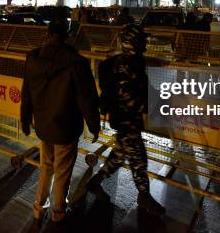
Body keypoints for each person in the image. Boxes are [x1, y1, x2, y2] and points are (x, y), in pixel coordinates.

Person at [20, 19, 100, 225]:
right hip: (65, 127)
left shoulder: (33, 57)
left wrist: (25, 119)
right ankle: (58, 211)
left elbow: (26, 93)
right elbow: (87, 98)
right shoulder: (76, 62)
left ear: (48, 34)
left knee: (46, 166)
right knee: (62, 170)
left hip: (43, 125)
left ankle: (38, 210)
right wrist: (94, 125)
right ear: (67, 36)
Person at [86, 24, 166, 216]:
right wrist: (152, 106)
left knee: (119, 155)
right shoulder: (126, 64)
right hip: (126, 119)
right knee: (139, 159)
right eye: (142, 39)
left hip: (125, 119)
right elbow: (127, 95)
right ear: (134, 42)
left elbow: (139, 88)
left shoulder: (131, 61)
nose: (145, 42)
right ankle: (144, 195)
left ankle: (94, 183)